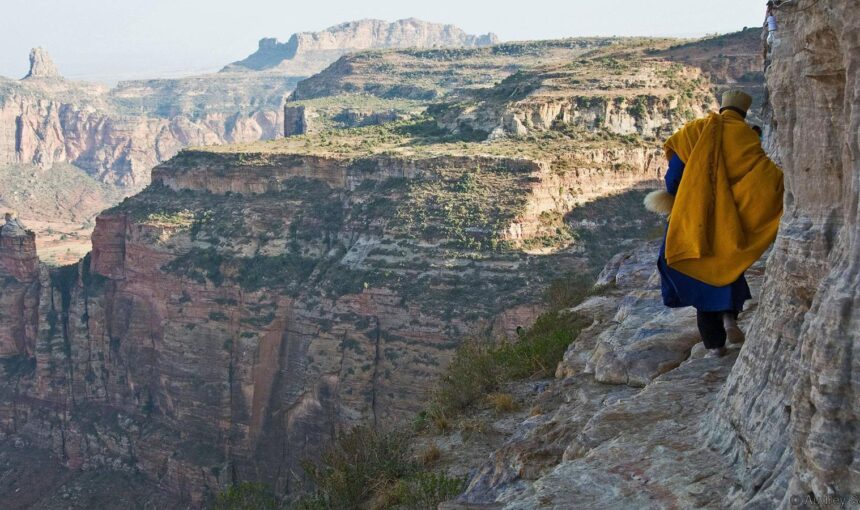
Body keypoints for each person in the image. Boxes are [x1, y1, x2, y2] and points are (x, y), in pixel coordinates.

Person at [649, 91, 784, 357]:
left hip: (694, 213)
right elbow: (765, 179)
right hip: (729, 218)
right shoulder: (747, 137)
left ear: (722, 108)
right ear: (743, 114)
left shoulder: (695, 131)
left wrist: (685, 193)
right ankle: (729, 317)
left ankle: (715, 347)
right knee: (726, 265)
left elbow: (674, 177)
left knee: (693, 265)